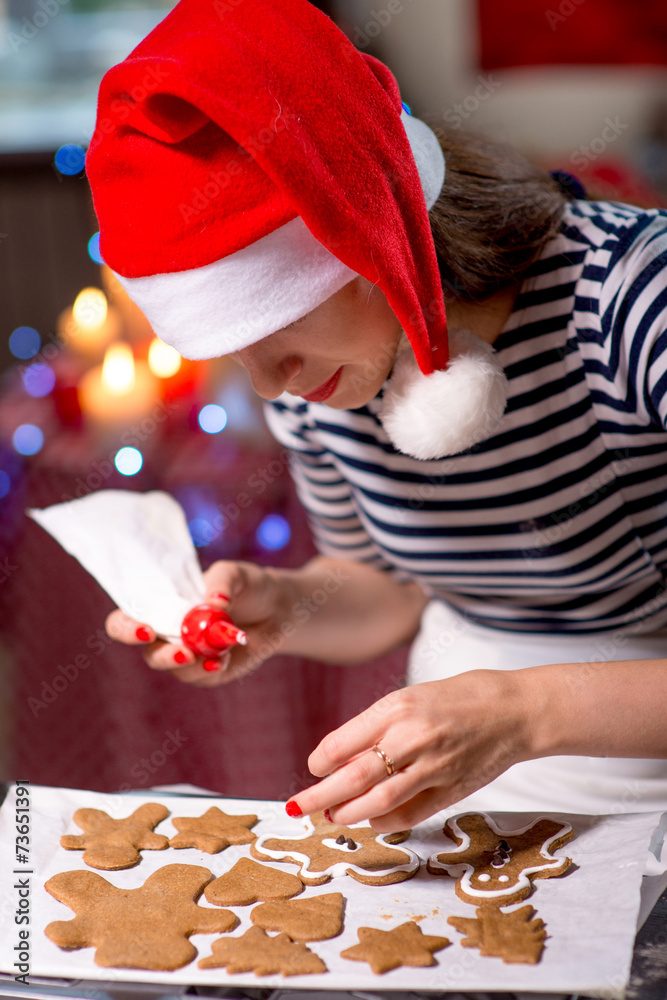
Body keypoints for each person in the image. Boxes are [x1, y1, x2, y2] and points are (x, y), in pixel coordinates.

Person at [89, 0, 667, 830]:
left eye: (272, 321)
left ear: (376, 237)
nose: (268, 384)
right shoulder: (322, 379)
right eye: (229, 348)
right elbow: (387, 592)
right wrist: (283, 606)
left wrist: (523, 711)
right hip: (472, 770)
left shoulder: (631, 301)